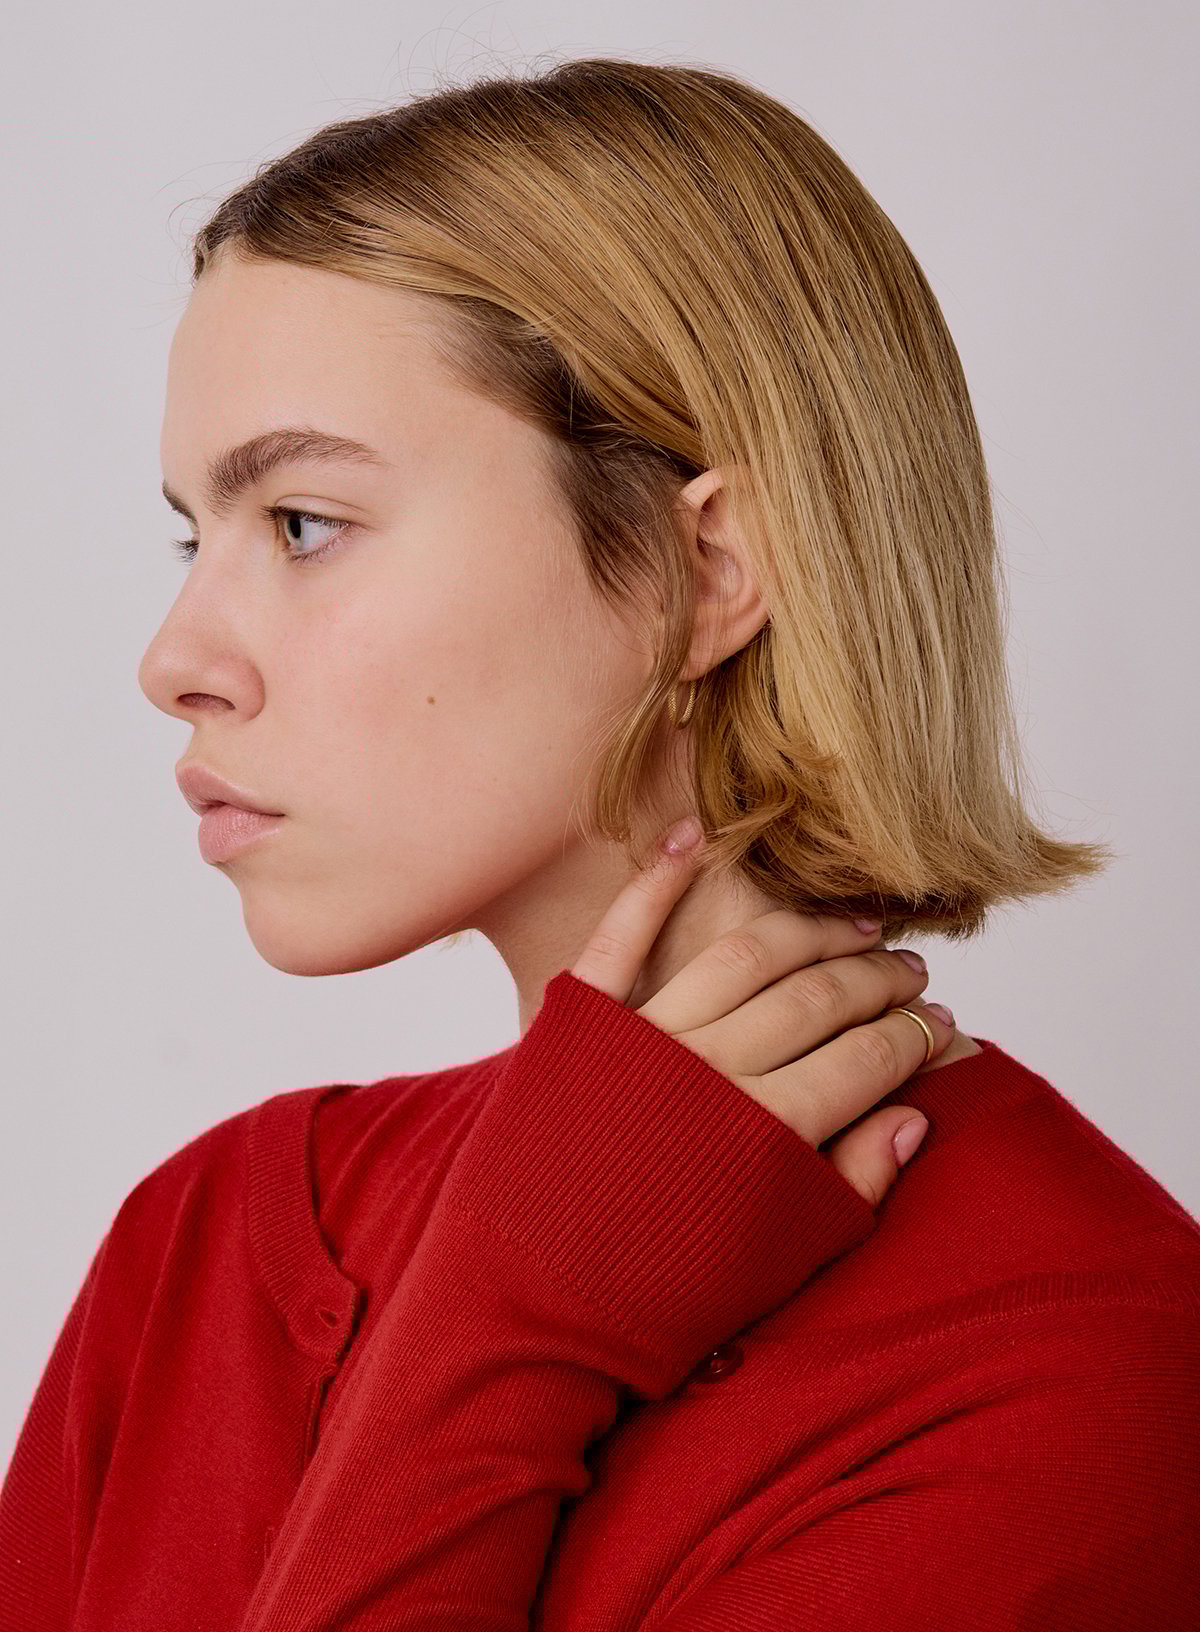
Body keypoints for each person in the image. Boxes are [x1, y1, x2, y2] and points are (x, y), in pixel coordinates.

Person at [3, 54, 1198, 1629]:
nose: (176, 661)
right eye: (192, 533)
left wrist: (501, 1325)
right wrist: (512, 1283)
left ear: (705, 574)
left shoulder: (1082, 1378)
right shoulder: (208, 1243)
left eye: (303, 522)